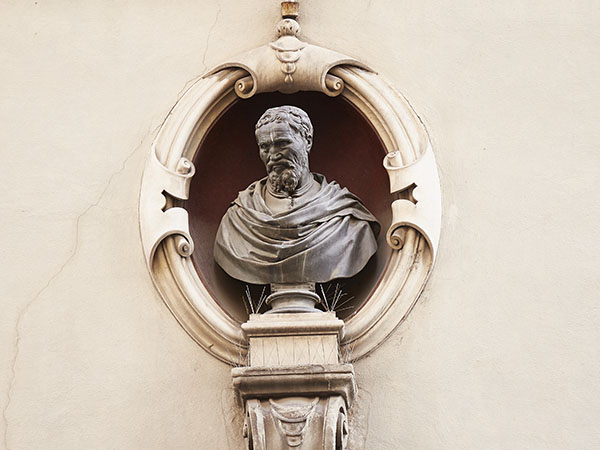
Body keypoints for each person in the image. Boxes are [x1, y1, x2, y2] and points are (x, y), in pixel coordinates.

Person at [214, 105, 380, 285]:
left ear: (307, 141)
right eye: (265, 147)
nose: (273, 155)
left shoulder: (348, 221)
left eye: (282, 143)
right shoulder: (239, 218)